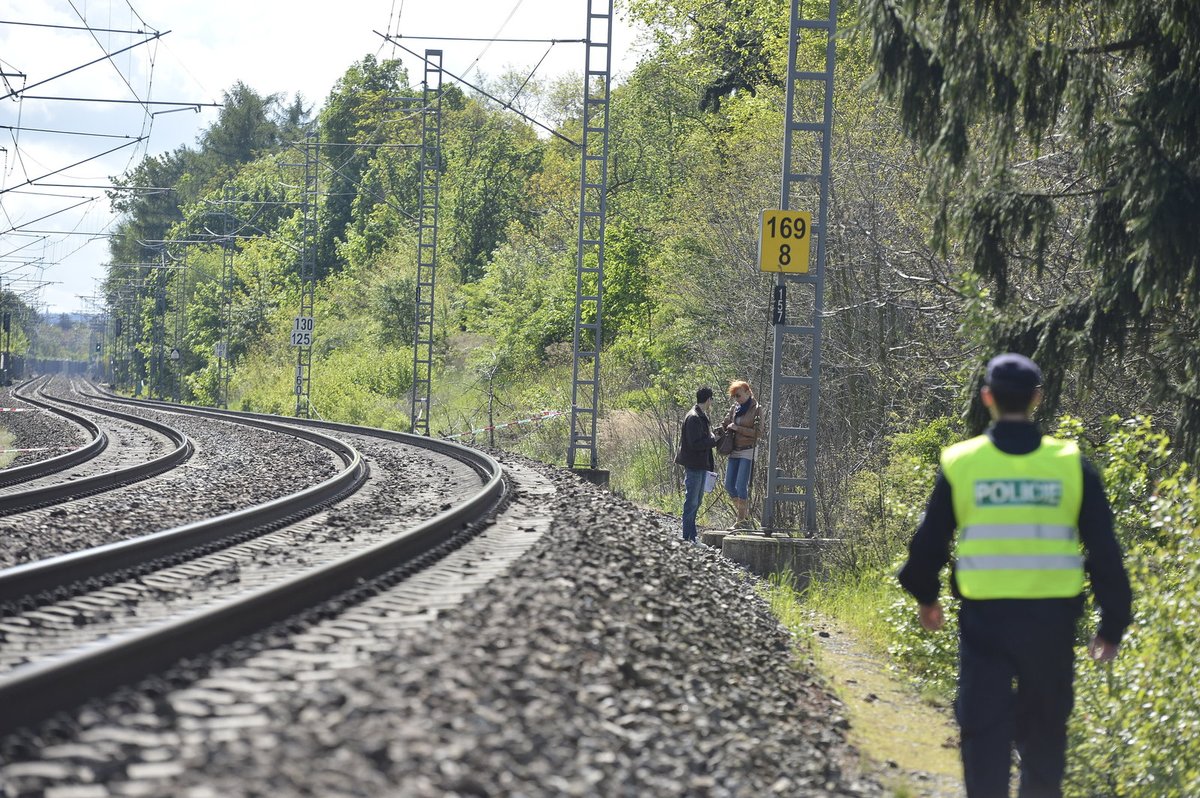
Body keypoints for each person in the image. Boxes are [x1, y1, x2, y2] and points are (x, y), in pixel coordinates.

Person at [898, 353, 1132, 798]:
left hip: (985, 623)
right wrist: (1113, 625)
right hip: (1052, 625)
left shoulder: (962, 462)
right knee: (1045, 733)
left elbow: (928, 544)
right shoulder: (1070, 464)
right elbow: (1105, 550)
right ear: (1037, 398)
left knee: (983, 730)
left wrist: (927, 598)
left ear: (987, 397)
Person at [674, 386, 719, 544]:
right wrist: (714, 440)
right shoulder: (694, 417)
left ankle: (691, 536)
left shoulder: (699, 415)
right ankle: (688, 536)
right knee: (692, 501)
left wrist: (712, 436)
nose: (711, 402)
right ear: (708, 400)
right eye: (711, 400)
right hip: (694, 464)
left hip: (700, 465)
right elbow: (695, 444)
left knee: (697, 501)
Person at [720, 380, 763, 528]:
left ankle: (740, 520)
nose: (736, 399)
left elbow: (759, 433)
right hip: (734, 449)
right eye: (734, 396)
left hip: (748, 450)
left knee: (740, 485)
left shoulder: (757, 409)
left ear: (747, 392)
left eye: (738, 395)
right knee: (729, 485)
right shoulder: (735, 408)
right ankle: (744, 517)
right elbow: (725, 423)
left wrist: (738, 428)